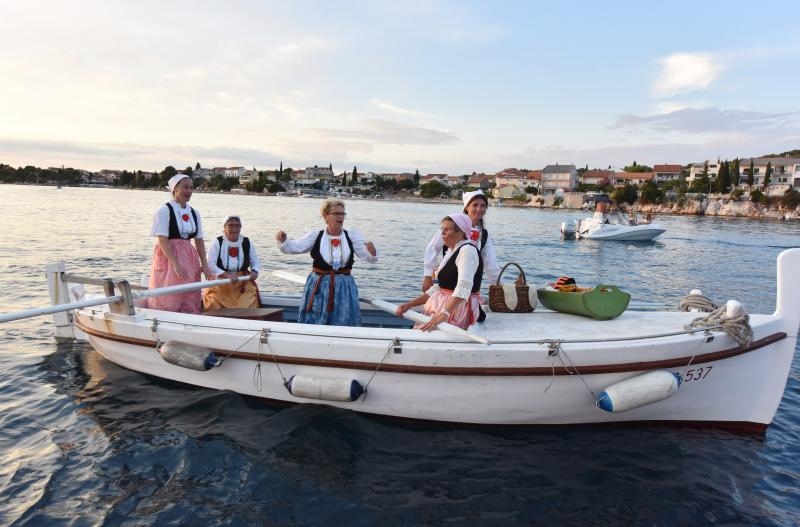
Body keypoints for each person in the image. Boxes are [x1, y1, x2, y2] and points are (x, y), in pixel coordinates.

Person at [275, 199, 378, 326]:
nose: (340, 217)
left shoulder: (351, 236)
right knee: (316, 320)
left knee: (343, 322)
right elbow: (295, 246)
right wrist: (284, 240)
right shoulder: (315, 235)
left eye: (342, 214)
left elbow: (367, 256)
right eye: (336, 214)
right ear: (326, 216)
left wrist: (371, 252)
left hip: (344, 288)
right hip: (319, 286)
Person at [397, 213, 482, 330]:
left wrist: (444, 314)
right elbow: (438, 288)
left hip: (456, 311)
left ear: (461, 232)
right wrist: (410, 304)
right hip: (443, 308)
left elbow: (464, 288)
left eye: (447, 229)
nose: (442, 233)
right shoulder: (453, 251)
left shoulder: (467, 251)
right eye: (442, 229)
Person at [147, 174, 211, 313]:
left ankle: (188, 317)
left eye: (191, 188)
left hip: (189, 256)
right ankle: (166, 316)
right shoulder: (164, 210)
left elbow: (199, 240)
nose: (189, 191)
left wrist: (204, 265)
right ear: (174, 189)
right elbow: (162, 239)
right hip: (169, 254)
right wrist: (174, 263)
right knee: (170, 289)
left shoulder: (194, 212)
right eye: (185, 187)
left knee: (189, 289)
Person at [422, 189, 499, 293]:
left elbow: (491, 263)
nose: (479, 209)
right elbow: (432, 248)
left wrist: (499, 286)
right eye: (475, 205)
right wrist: (427, 276)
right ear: (467, 207)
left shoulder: (484, 234)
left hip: (469, 283)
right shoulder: (453, 225)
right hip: (449, 279)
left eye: (483, 206)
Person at [202, 215, 261, 311]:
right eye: (231, 226)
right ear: (224, 227)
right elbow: (210, 263)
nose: (234, 229)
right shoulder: (217, 242)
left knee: (245, 306)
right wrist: (226, 275)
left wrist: (254, 271)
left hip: (242, 281)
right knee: (214, 304)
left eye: (237, 226)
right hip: (221, 281)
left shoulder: (246, 242)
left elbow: (255, 261)